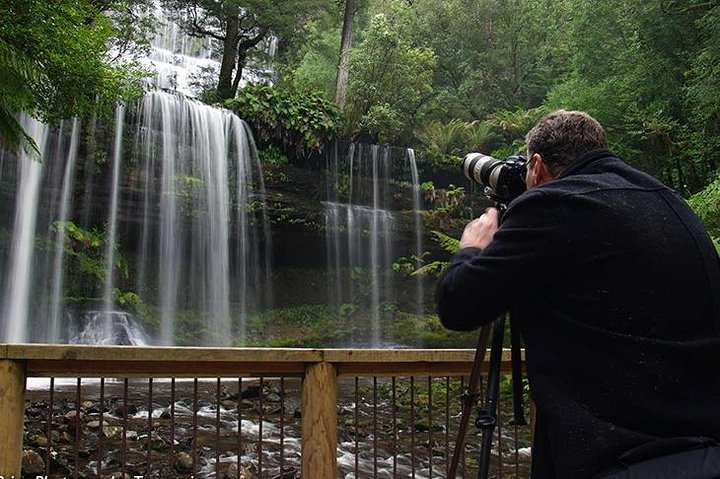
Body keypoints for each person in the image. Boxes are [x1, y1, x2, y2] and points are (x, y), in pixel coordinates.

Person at [436, 110, 720, 478]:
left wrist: (473, 247)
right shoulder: (669, 202)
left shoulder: (556, 204)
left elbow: (458, 304)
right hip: (706, 451)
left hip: (620, 460)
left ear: (536, 167)